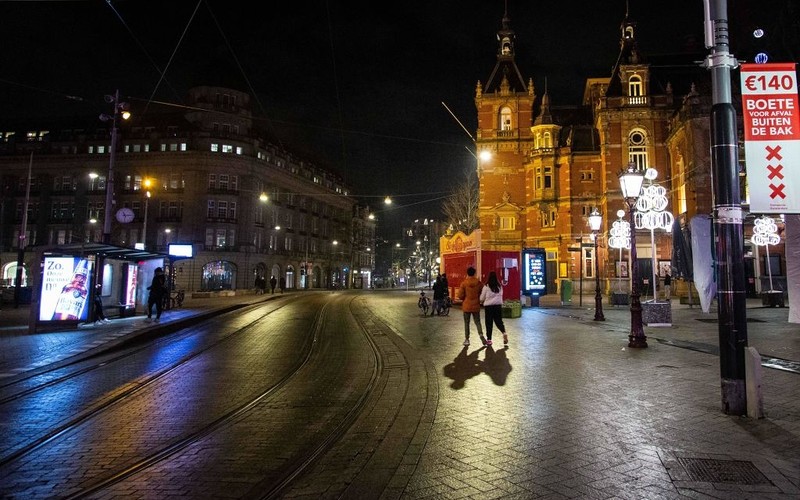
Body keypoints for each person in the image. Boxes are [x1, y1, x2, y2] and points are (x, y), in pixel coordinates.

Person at [458, 266, 485, 347]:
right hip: (476, 305)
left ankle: (467, 339)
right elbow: (483, 292)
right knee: (477, 322)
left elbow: (460, 296)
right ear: (474, 273)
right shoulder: (479, 283)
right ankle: (481, 336)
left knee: (467, 323)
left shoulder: (464, 283)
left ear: (467, 273)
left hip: (466, 306)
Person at [480, 271, 507, 346]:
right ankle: (504, 333)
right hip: (498, 306)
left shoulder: (486, 286)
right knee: (499, 321)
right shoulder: (499, 286)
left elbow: (482, 297)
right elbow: (501, 295)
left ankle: (489, 340)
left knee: (489, 323)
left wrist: (481, 301)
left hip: (489, 307)